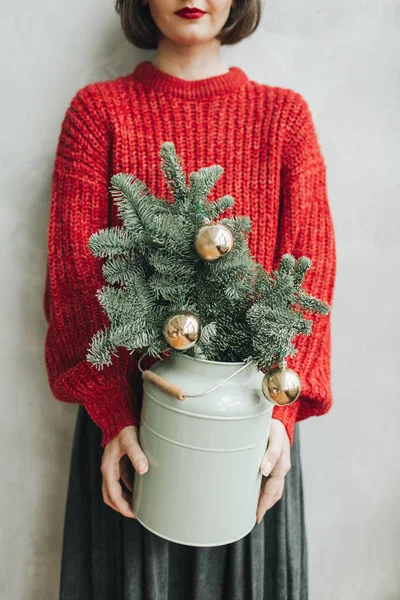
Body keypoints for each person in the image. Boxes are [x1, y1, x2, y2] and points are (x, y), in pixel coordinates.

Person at [43, 0, 336, 598]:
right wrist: (113, 414)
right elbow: (73, 278)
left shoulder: (285, 118)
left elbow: (310, 276)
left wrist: (281, 414)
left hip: (250, 429)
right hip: (126, 435)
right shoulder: (98, 114)